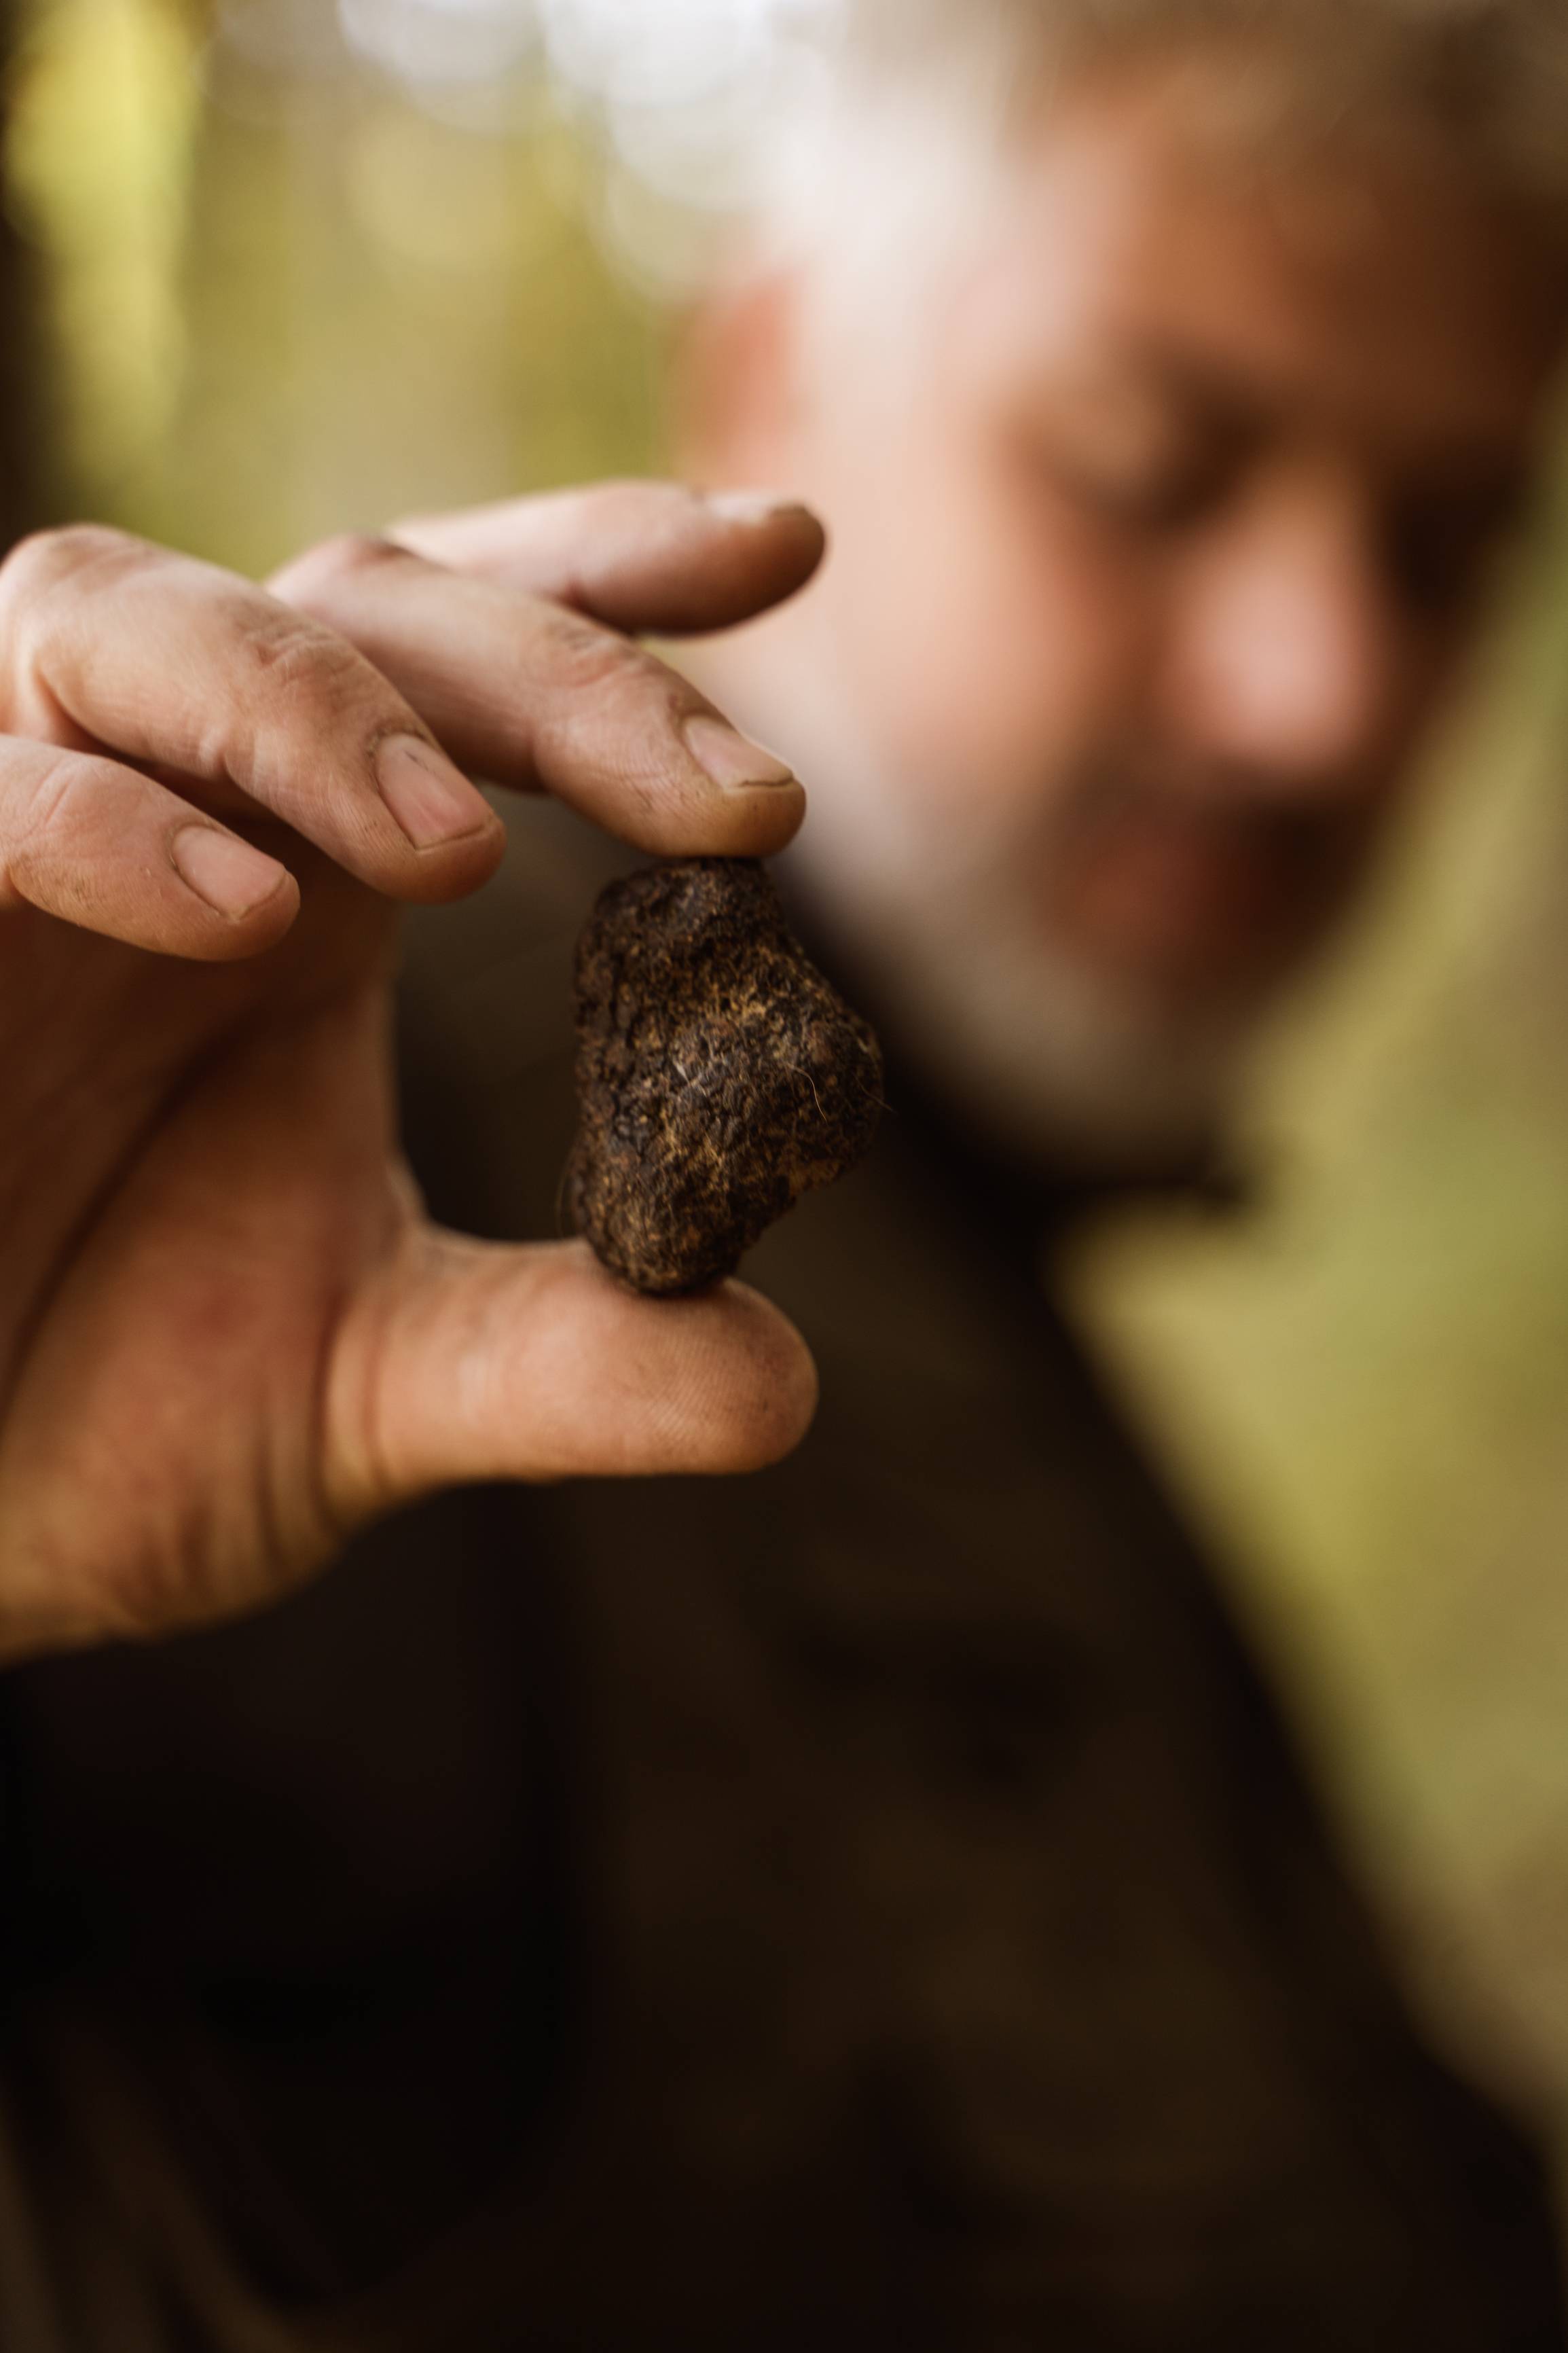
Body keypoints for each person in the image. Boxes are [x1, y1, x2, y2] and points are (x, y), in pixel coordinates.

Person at [1, 1, 1567, 2345]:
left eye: (1445, 545)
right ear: (765, 368)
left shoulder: (994, 1278)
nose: (1323, 689)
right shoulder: (282, 1133)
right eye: (1148, 462)